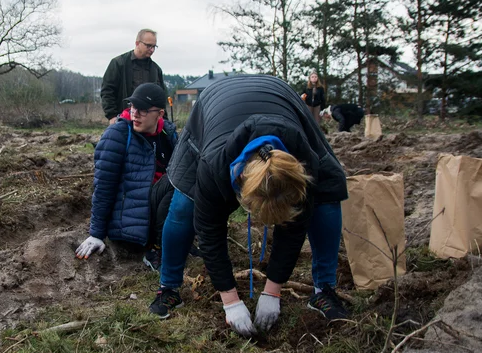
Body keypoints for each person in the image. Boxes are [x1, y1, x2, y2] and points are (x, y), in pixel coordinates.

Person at [149, 75, 350, 336]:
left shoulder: (303, 164)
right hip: (214, 104)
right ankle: (168, 288)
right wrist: (230, 301)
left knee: (326, 200)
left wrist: (273, 291)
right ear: (240, 184)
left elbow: (296, 228)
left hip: (281, 98)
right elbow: (210, 232)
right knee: (184, 206)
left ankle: (324, 290)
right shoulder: (213, 166)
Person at [76, 83, 177, 271]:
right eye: (133, 107)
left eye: (144, 110)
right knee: (172, 186)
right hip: (130, 222)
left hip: (158, 210)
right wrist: (96, 233)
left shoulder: (168, 134)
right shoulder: (117, 135)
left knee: (185, 180)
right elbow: (104, 186)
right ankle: (156, 249)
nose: (135, 114)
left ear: (160, 114)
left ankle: (179, 240)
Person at [101, 29, 166, 125]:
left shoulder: (156, 69)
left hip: (148, 124)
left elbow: (161, 97)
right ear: (137, 43)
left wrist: (164, 120)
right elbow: (107, 91)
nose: (151, 49)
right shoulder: (119, 64)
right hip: (123, 120)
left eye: (154, 46)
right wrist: (112, 116)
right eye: (148, 46)